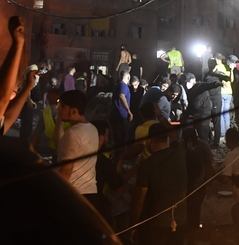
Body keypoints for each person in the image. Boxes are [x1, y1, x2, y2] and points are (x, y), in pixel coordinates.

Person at [129, 105, 187, 244]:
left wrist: (133, 225)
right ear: (166, 138)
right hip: (181, 219)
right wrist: (160, 115)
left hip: (158, 223)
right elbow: (173, 135)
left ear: (149, 141)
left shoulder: (147, 165)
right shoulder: (178, 152)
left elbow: (138, 201)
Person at [55, 90, 104, 216]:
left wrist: (52, 192)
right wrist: (58, 121)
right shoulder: (92, 129)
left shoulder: (73, 134)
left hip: (73, 194)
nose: (58, 109)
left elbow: (66, 171)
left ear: (74, 111)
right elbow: (61, 146)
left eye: (62, 106)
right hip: (90, 194)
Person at [183, 128, 214, 245]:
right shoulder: (181, 146)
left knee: (195, 211)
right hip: (184, 186)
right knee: (186, 212)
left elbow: (209, 166)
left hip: (198, 185)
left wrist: (208, 184)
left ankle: (192, 237)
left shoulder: (202, 147)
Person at [90, 119, 124, 224]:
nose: (107, 139)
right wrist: (118, 169)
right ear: (100, 138)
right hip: (96, 205)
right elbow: (119, 189)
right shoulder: (102, 161)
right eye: (107, 136)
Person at [182, 73, 222, 143]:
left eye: (189, 81)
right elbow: (190, 104)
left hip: (203, 114)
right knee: (188, 131)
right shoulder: (187, 89)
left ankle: (206, 149)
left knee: (203, 135)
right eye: (186, 82)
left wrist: (217, 84)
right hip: (193, 114)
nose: (187, 84)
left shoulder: (198, 86)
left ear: (194, 80)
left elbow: (207, 86)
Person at [29, 89, 70, 157]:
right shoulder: (67, 112)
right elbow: (37, 134)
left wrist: (30, 152)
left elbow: (37, 134)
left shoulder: (46, 111)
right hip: (63, 152)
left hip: (62, 152)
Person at [110, 71, 134, 151]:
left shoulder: (118, 85)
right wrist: (129, 111)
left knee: (117, 137)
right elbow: (121, 96)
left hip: (116, 114)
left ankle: (118, 155)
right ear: (128, 77)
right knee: (122, 137)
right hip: (121, 115)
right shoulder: (123, 86)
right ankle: (121, 156)